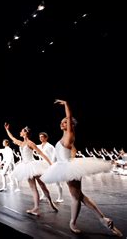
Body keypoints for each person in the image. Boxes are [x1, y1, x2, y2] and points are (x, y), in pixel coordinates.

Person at [40, 100, 121, 236]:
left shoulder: (69, 134)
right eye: (62, 121)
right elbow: (72, 148)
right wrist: (72, 154)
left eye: (65, 122)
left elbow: (69, 117)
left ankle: (76, 222)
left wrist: (65, 104)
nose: (62, 123)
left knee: (76, 197)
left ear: (71, 124)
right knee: (79, 196)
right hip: (65, 166)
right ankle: (103, 220)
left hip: (68, 167)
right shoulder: (65, 136)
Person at [5, 123, 58, 215]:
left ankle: (51, 203)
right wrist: (7, 130)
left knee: (42, 185)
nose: (20, 132)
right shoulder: (21, 143)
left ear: (25, 133)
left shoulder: (30, 143)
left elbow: (41, 154)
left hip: (33, 166)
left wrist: (51, 164)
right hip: (25, 166)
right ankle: (36, 208)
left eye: (22, 131)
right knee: (33, 188)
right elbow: (12, 138)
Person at [37, 132, 63, 203]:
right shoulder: (39, 146)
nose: (40, 138)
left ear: (46, 138)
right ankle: (44, 195)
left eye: (42, 137)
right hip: (43, 165)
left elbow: (54, 156)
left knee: (57, 182)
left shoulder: (50, 146)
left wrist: (52, 165)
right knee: (42, 181)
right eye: (40, 137)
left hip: (51, 165)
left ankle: (60, 197)